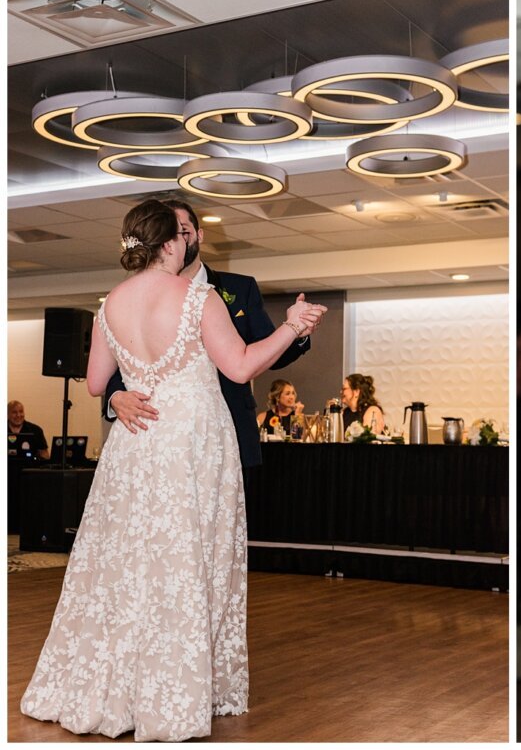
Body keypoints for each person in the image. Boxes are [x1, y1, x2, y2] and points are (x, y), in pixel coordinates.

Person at [20, 200, 326, 740]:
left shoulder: (110, 302)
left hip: (135, 447)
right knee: (190, 557)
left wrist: (123, 397)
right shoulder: (198, 297)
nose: (188, 241)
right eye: (180, 236)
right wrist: (291, 326)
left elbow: (96, 384)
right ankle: (174, 697)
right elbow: (240, 365)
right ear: (169, 244)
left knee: (124, 562)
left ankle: (105, 686)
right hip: (191, 443)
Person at [104, 199, 318, 475]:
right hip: (158, 432)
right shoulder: (134, 296)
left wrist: (296, 332)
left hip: (230, 426)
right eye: (169, 232)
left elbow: (267, 350)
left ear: (199, 235)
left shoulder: (239, 288)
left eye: (183, 231)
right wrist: (115, 397)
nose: (177, 239)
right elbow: (124, 359)